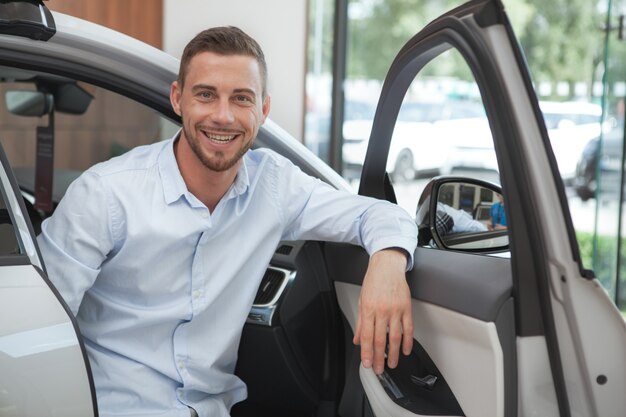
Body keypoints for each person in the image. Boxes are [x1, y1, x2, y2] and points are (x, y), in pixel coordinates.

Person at [37, 26, 418, 417]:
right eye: (206, 95)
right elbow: (37, 324)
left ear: (263, 111)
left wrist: (388, 260)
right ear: (177, 99)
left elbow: (375, 212)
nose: (223, 116)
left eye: (241, 99)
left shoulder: (275, 185)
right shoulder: (105, 194)